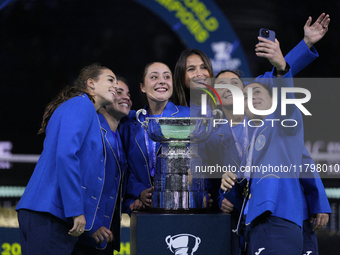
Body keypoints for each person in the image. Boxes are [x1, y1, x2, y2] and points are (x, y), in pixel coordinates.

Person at [16, 63, 117, 255]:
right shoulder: (82, 104)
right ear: (91, 83)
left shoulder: (81, 107)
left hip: (45, 213)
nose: (116, 86)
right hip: (50, 213)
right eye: (110, 80)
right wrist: (76, 210)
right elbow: (66, 155)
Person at [221, 79, 331, 254]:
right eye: (245, 97)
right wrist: (228, 186)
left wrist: (281, 70)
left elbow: (307, 164)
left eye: (257, 92)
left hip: (277, 215)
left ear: (273, 100)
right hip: (285, 218)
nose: (252, 98)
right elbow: (305, 165)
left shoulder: (282, 123)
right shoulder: (251, 143)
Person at [72, 76, 132, 254]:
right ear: (105, 99)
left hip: (105, 236)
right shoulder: (91, 129)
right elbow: (78, 179)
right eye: (119, 92)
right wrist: (92, 224)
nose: (127, 97)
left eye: (129, 94)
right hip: (84, 233)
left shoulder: (120, 137)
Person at [120, 62, 190, 211]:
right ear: (142, 87)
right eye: (154, 77)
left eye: (167, 76)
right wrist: (139, 191)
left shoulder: (189, 116)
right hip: (144, 209)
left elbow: (202, 159)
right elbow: (125, 169)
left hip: (181, 206)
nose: (162, 81)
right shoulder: (130, 126)